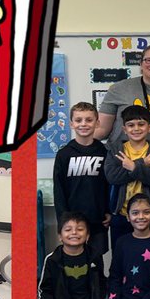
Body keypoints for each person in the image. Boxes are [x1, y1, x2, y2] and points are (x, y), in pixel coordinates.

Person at [104, 106, 150, 247]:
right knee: (121, 255)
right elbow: (112, 177)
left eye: (141, 124)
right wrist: (141, 164)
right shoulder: (115, 150)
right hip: (121, 214)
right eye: (131, 125)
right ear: (124, 129)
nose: (136, 129)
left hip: (149, 216)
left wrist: (133, 167)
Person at [53, 100, 110, 258]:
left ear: (97, 123)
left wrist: (109, 211)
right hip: (72, 223)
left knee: (95, 261)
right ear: (71, 124)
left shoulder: (104, 152)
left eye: (89, 120)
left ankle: (98, 284)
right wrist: (63, 220)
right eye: (78, 120)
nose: (83, 124)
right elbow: (59, 189)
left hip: (98, 220)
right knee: (74, 261)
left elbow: (109, 185)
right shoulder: (64, 154)